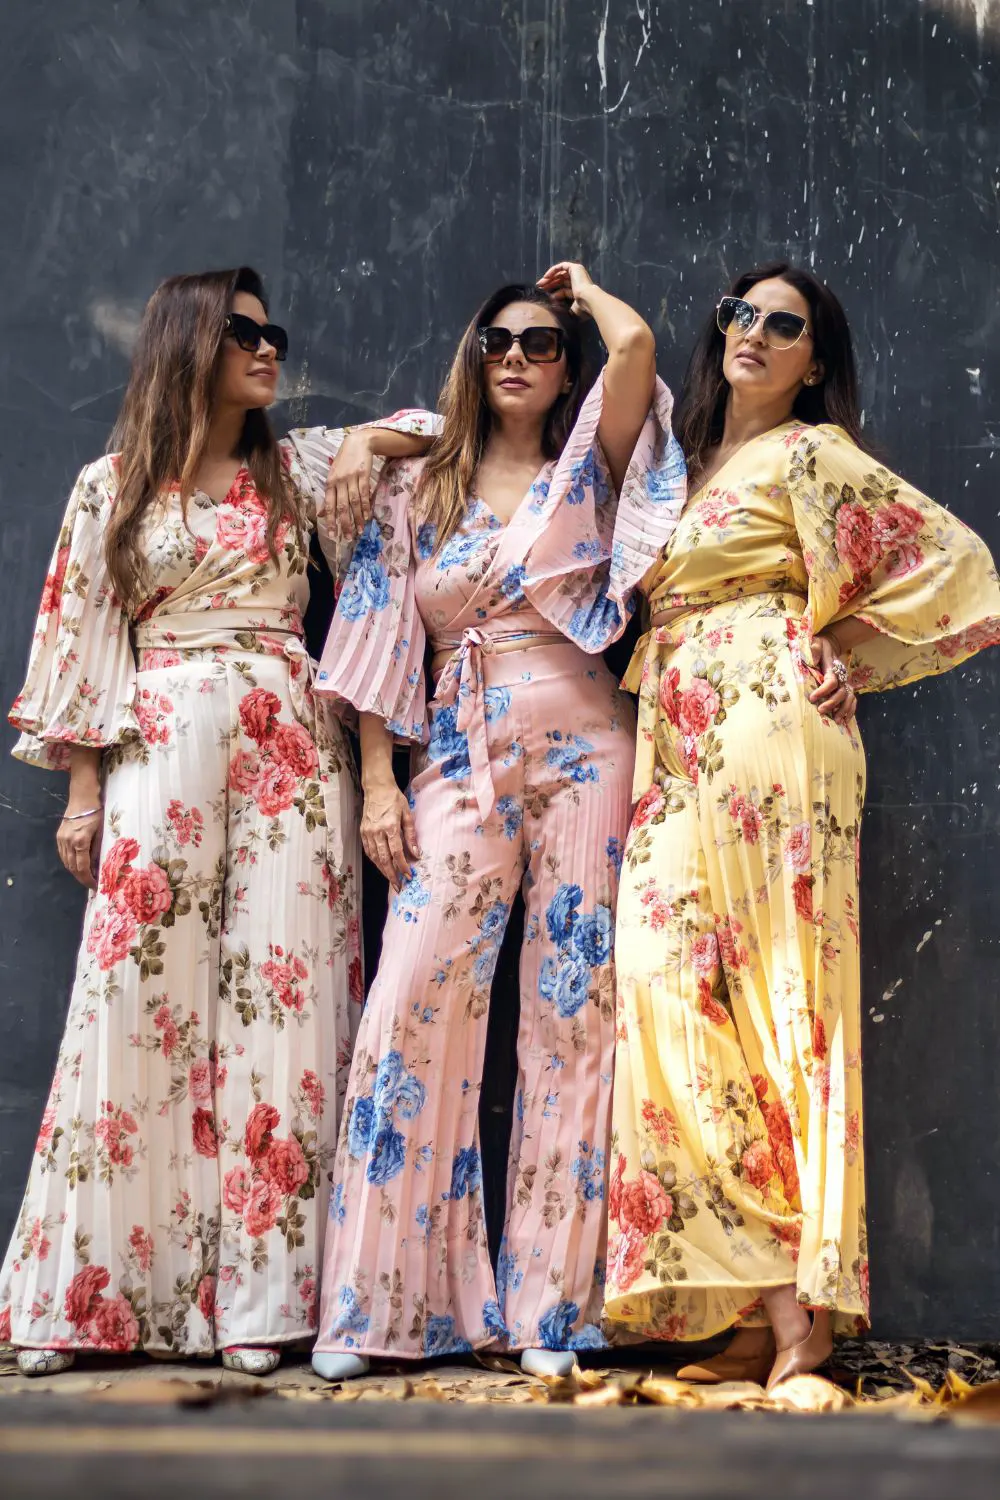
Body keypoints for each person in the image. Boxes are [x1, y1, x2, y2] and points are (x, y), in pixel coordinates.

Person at [0, 267, 432, 1376]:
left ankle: (263, 1305)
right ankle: (85, 1302)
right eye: (244, 331)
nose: (269, 347)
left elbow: (435, 434)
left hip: (290, 745)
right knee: (131, 1005)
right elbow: (83, 636)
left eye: (273, 330)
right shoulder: (112, 487)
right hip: (157, 741)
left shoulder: (297, 467)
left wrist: (370, 466)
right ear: (188, 341)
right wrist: (83, 792)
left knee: (285, 999)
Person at [603, 261, 1000, 1390]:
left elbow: (964, 574)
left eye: (786, 326)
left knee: (787, 1008)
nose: (757, 335)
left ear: (812, 360)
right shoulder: (677, 465)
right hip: (674, 743)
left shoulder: (812, 455)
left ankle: (799, 1323)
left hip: (774, 728)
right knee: (660, 987)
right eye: (743, 314)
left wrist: (850, 658)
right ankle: (756, 1287)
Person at [309, 263, 686, 1380]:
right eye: (499, 341)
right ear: (474, 360)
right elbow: (377, 633)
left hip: (587, 745)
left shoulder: (592, 471)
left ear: (565, 365)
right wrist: (380, 783)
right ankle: (378, 1313)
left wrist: (591, 292)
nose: (518, 355)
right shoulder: (419, 481)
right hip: (457, 759)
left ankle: (551, 1315)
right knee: (411, 1005)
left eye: (540, 341)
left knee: (574, 1018)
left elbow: (636, 355)